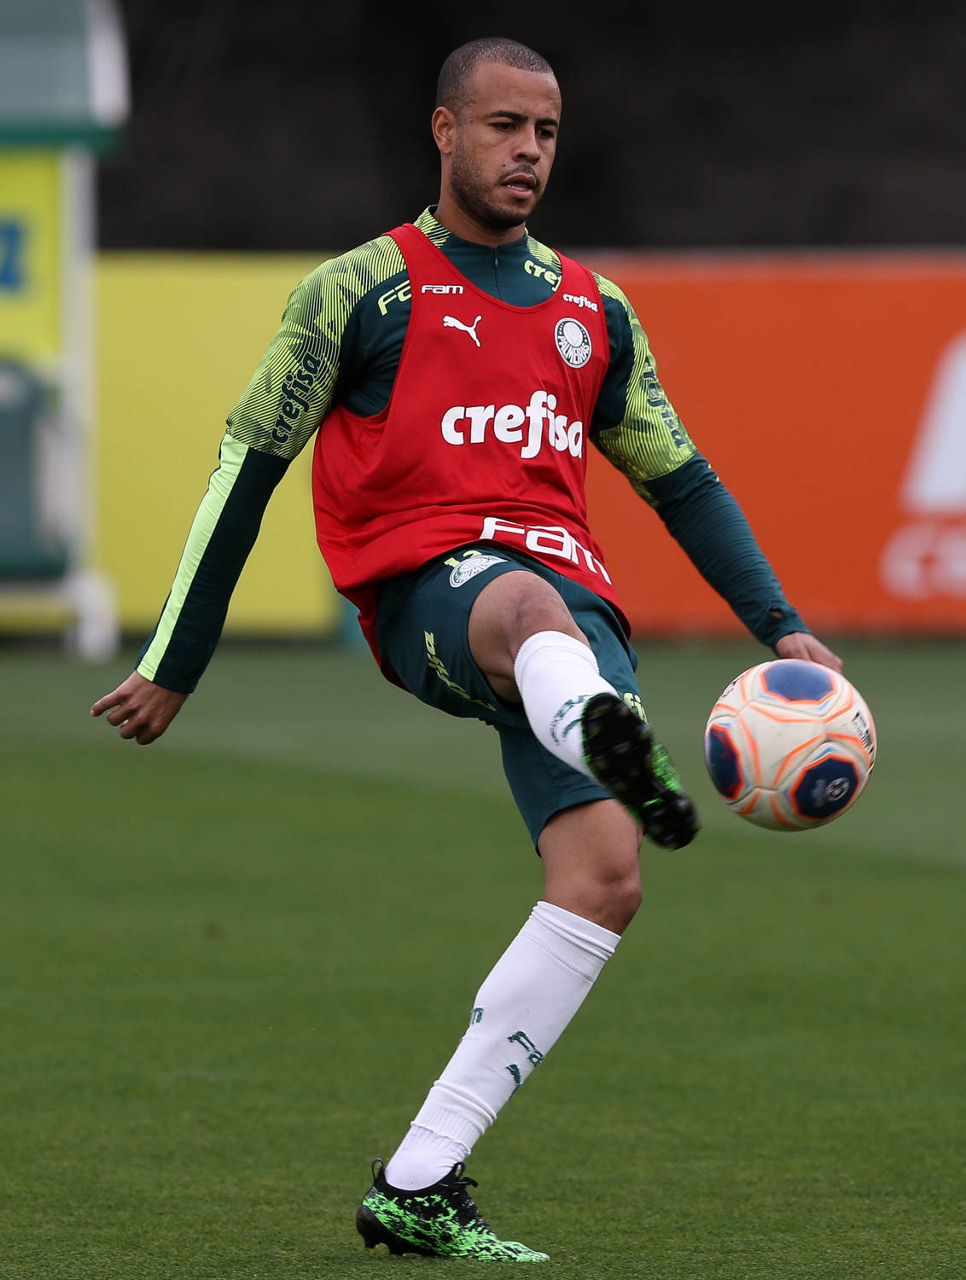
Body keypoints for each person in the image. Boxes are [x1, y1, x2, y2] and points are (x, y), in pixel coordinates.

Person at [92, 37, 842, 1263]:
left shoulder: (593, 310)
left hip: (575, 615)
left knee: (604, 879)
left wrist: (779, 623)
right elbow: (249, 464)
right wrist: (176, 659)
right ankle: (602, 727)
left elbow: (682, 478)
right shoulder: (359, 292)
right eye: (503, 126)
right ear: (444, 131)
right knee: (526, 605)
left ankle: (419, 1178)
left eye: (544, 131)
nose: (528, 151)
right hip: (431, 592)